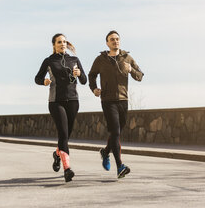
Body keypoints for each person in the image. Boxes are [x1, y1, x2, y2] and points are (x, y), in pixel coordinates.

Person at [88, 30, 144, 179]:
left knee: (115, 132)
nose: (115, 41)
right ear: (107, 43)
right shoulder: (100, 59)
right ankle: (120, 166)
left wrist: (131, 69)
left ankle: (106, 152)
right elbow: (91, 75)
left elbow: (140, 76)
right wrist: (94, 88)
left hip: (123, 100)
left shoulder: (127, 58)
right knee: (116, 132)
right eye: (112, 39)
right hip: (107, 100)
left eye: (117, 39)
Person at [35, 33, 87, 182]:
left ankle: (58, 154)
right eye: (59, 42)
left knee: (66, 136)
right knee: (63, 134)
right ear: (54, 45)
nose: (62, 44)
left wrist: (79, 73)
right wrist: (44, 82)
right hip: (56, 102)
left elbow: (84, 80)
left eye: (64, 41)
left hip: (73, 101)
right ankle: (67, 169)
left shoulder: (74, 60)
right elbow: (37, 78)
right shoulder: (49, 61)